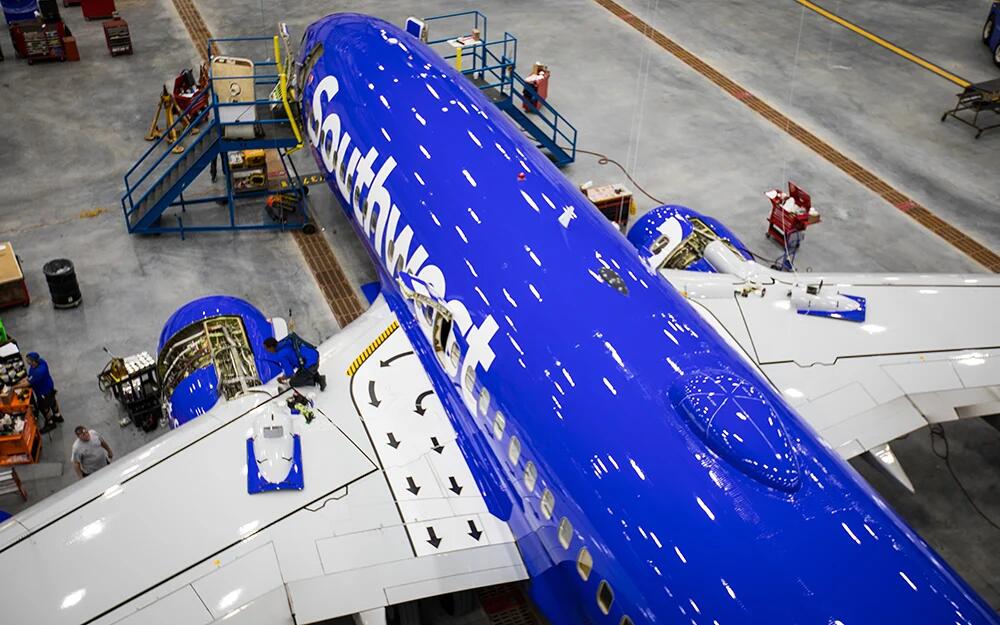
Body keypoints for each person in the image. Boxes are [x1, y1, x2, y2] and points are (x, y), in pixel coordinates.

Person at [25, 352, 63, 434]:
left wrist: (13, 387)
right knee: (53, 402)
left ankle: (50, 423)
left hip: (43, 393)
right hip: (49, 387)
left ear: (33, 361)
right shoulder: (41, 362)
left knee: (44, 407)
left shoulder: (38, 372)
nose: (27, 361)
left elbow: (28, 383)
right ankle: (58, 416)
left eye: (28, 360)